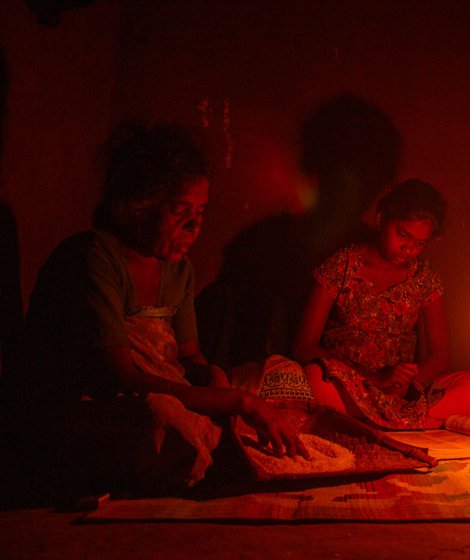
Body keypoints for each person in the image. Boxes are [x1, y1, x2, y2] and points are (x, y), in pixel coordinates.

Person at [4, 121, 307, 497]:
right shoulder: (94, 257)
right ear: (137, 207)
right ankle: (215, 454)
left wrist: (209, 374)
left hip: (170, 388)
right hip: (95, 405)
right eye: (180, 211)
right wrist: (237, 401)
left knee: (283, 373)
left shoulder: (178, 269)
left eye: (201, 211)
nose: (195, 226)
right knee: (159, 420)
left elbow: (188, 358)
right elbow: (124, 381)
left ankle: (224, 446)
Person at [293, 179, 470, 430]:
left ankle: (385, 419)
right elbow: (305, 346)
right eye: (403, 235)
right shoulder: (342, 265)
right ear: (381, 218)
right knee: (312, 379)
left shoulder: (424, 277)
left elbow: (441, 356)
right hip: (348, 384)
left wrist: (404, 382)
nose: (408, 249)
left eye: (419, 243)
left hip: (404, 391)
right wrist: (374, 379)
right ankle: (413, 420)